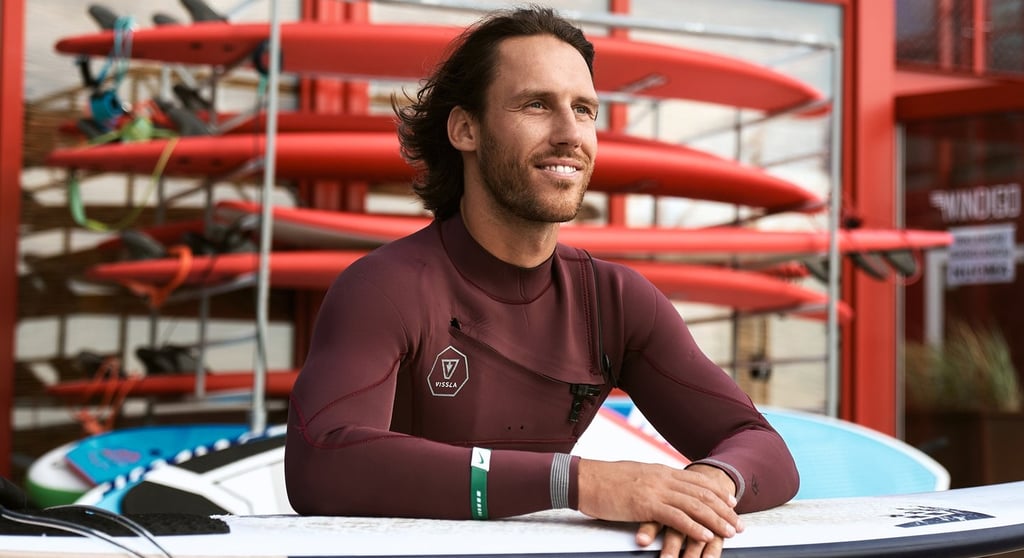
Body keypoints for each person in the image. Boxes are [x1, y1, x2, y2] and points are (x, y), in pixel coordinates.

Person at [285, 6, 799, 557]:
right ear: (465, 128)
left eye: (584, 109)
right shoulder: (385, 288)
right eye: (536, 105)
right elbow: (322, 461)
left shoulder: (614, 302)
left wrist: (705, 492)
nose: (570, 134)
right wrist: (577, 482)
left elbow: (764, 449)